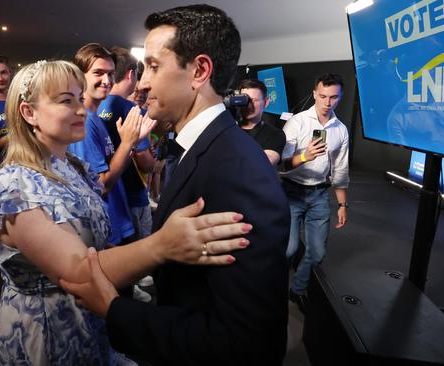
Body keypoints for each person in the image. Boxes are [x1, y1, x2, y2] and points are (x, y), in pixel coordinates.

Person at [0, 60, 250, 365]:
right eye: (66, 100)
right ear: (29, 112)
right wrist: (163, 245)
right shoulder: (14, 186)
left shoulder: (71, 167)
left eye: (80, 98)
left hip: (89, 320)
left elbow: (96, 248)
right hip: (45, 333)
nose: (81, 109)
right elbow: (78, 272)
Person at [61, 5, 291, 365]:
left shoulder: (235, 169)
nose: (142, 83)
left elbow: (246, 343)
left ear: (199, 71)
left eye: (153, 66)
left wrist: (114, 309)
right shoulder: (204, 147)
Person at [68, 43, 151, 245]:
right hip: (105, 227)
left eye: (111, 74)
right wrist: (128, 143)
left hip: (116, 220)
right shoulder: (84, 120)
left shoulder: (95, 117)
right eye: (98, 73)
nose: (107, 81)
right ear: (80, 76)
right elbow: (100, 185)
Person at [280, 73, 350, 311]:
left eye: (333, 97)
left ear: (340, 97)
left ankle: (297, 290)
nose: (327, 103)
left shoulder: (340, 130)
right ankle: (272, 290)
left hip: (320, 195)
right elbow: (281, 164)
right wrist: (305, 156)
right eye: (322, 96)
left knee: (317, 253)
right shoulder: (297, 122)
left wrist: (342, 205)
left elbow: (340, 169)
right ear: (314, 94)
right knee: (287, 249)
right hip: (291, 192)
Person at [98, 47, 155, 240]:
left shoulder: (93, 106)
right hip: (131, 196)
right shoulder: (133, 111)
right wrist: (156, 163)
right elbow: (145, 163)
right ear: (131, 74)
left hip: (103, 198)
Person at [238, 78, 286, 167]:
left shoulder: (275, 135)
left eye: (254, 100)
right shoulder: (227, 128)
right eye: (245, 99)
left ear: (266, 102)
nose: (249, 105)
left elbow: (263, 164)